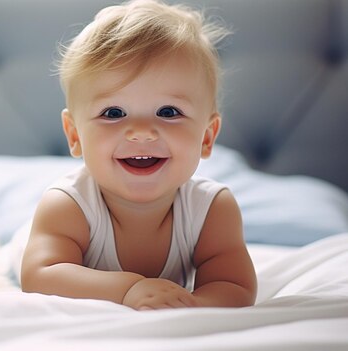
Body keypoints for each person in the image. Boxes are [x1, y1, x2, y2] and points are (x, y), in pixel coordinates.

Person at [20, 0, 257, 309]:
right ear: (75, 135)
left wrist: (193, 308)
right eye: (114, 112)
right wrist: (128, 289)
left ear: (207, 137)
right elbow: (39, 275)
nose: (142, 131)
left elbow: (234, 285)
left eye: (168, 112)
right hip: (30, 243)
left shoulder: (211, 210)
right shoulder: (68, 205)